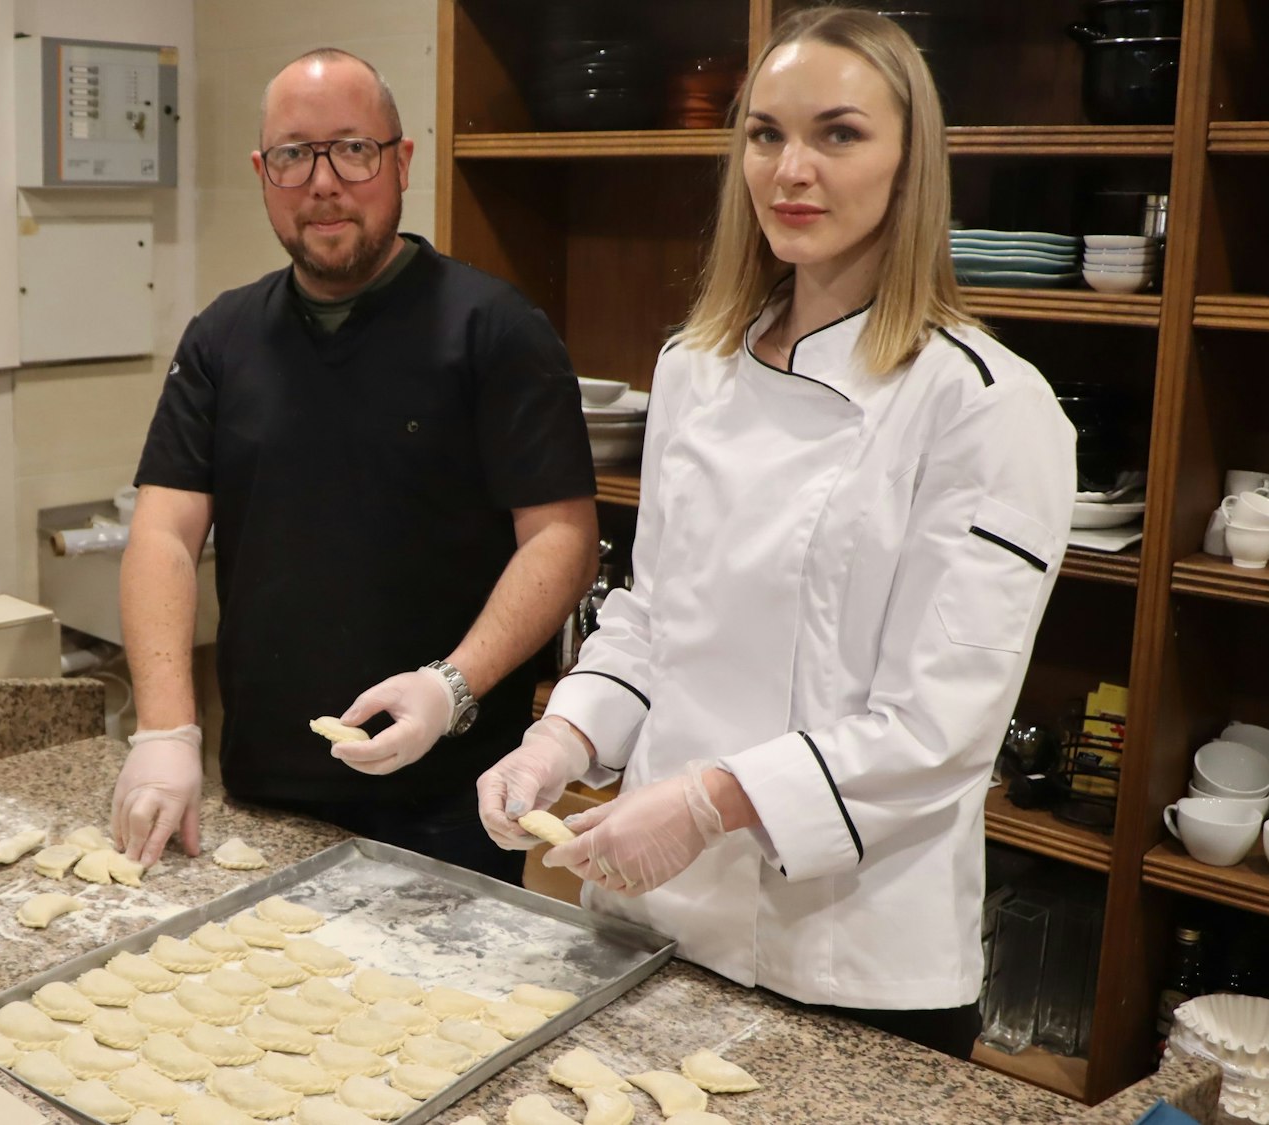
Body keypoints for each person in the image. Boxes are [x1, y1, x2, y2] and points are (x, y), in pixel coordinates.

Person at [477, 7, 1076, 1059]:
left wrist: (710, 800)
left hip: (848, 955)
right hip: (653, 916)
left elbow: (939, 728)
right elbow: (651, 617)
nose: (789, 169)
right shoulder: (694, 366)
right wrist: (559, 737)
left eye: (838, 134)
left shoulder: (984, 405)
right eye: (763, 134)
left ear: (908, 162)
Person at [112, 48, 599, 884]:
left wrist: (452, 686)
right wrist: (165, 732)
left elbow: (562, 539)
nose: (324, 182)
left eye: (353, 149)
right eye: (295, 155)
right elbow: (163, 530)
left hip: (446, 798)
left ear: (402, 160)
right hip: (260, 785)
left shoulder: (494, 330)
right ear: (264, 173)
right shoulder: (223, 339)